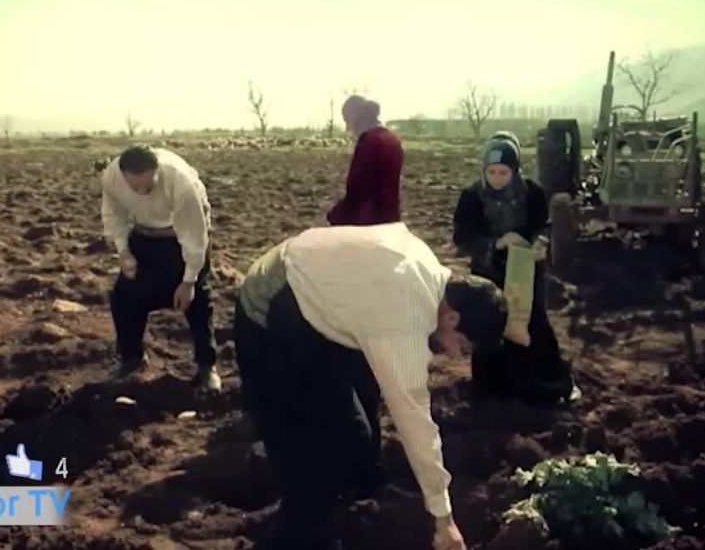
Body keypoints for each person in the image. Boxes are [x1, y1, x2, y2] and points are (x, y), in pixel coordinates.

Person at [234, 222, 512, 550]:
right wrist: (444, 518)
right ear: (452, 319)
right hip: (270, 307)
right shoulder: (404, 316)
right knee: (317, 459)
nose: (454, 355)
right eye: (461, 346)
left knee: (363, 406)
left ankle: (366, 487)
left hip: (320, 294)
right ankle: (291, 533)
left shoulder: (429, 274)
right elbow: (415, 421)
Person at [452, 132, 577, 405]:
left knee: (531, 320)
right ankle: (492, 389)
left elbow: (544, 226)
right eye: (492, 171)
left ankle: (542, 385)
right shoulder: (472, 197)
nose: (497, 178)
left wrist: (541, 243)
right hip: (489, 272)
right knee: (491, 324)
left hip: (526, 269)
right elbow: (462, 238)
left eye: (503, 172)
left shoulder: (532, 193)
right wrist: (496, 243)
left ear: (515, 170)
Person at [101, 145, 221, 390]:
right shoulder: (112, 178)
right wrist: (124, 252)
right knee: (124, 297)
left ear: (156, 170)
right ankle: (131, 358)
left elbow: (194, 237)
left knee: (197, 299)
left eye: (148, 185)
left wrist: (188, 282)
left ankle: (207, 367)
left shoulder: (181, 182)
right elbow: (115, 215)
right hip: (144, 232)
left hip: (182, 232)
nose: (141, 191)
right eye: (134, 187)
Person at [326, 95, 404, 226]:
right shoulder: (393, 140)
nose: (347, 128)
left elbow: (357, 189)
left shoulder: (369, 142)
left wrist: (335, 216)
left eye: (347, 121)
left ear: (355, 118)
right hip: (390, 219)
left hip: (368, 221)